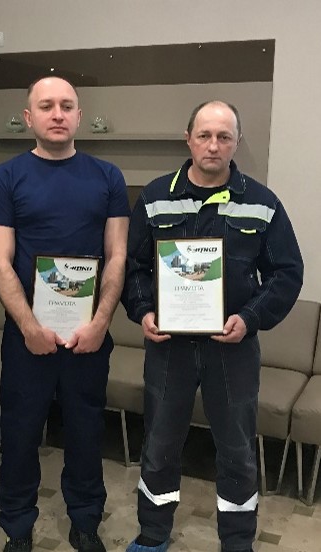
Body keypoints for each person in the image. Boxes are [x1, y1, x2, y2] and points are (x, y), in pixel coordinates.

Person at [122, 100, 303, 552]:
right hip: (170, 347)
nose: (213, 145)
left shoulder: (262, 203)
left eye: (224, 136)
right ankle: (153, 534)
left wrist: (251, 318)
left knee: (237, 450)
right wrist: (143, 311)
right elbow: (133, 266)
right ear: (188, 139)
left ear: (237, 142)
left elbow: (286, 273)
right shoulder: (156, 197)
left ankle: (237, 542)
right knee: (159, 443)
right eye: (204, 135)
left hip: (233, 348)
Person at [0, 76, 130, 552]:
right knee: (20, 433)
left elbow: (118, 256)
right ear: (29, 118)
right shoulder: (5, 179)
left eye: (67, 105)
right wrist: (28, 327)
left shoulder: (107, 177)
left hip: (88, 336)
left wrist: (100, 323)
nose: (58, 114)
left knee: (86, 432)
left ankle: (85, 521)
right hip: (28, 338)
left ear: (79, 116)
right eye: (46, 106)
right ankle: (17, 525)